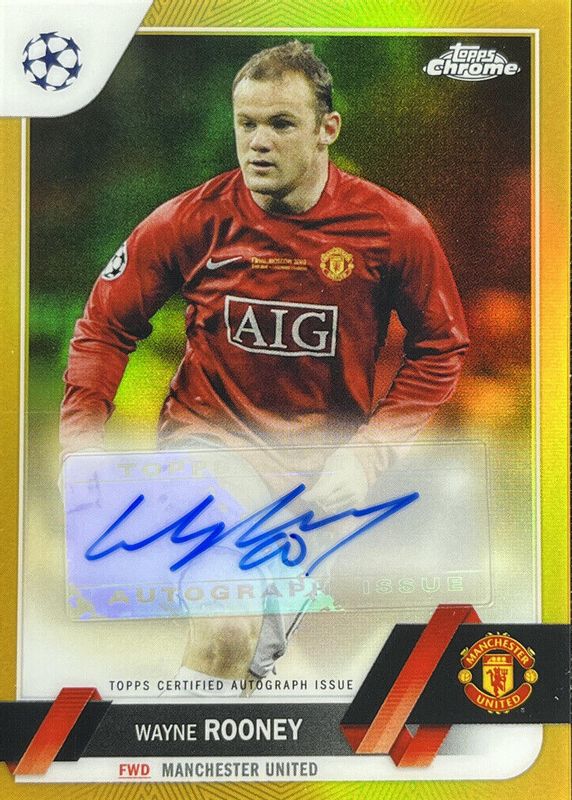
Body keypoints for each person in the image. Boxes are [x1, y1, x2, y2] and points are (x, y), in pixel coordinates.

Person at [60, 40, 469, 686]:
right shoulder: (192, 220)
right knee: (226, 627)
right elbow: (104, 325)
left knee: (247, 662)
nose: (258, 142)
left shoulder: (393, 229)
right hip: (208, 445)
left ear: (327, 129)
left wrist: (366, 456)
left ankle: (199, 744)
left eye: (281, 124)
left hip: (319, 478)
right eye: (246, 123)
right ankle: (166, 755)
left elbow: (441, 347)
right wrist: (81, 444)